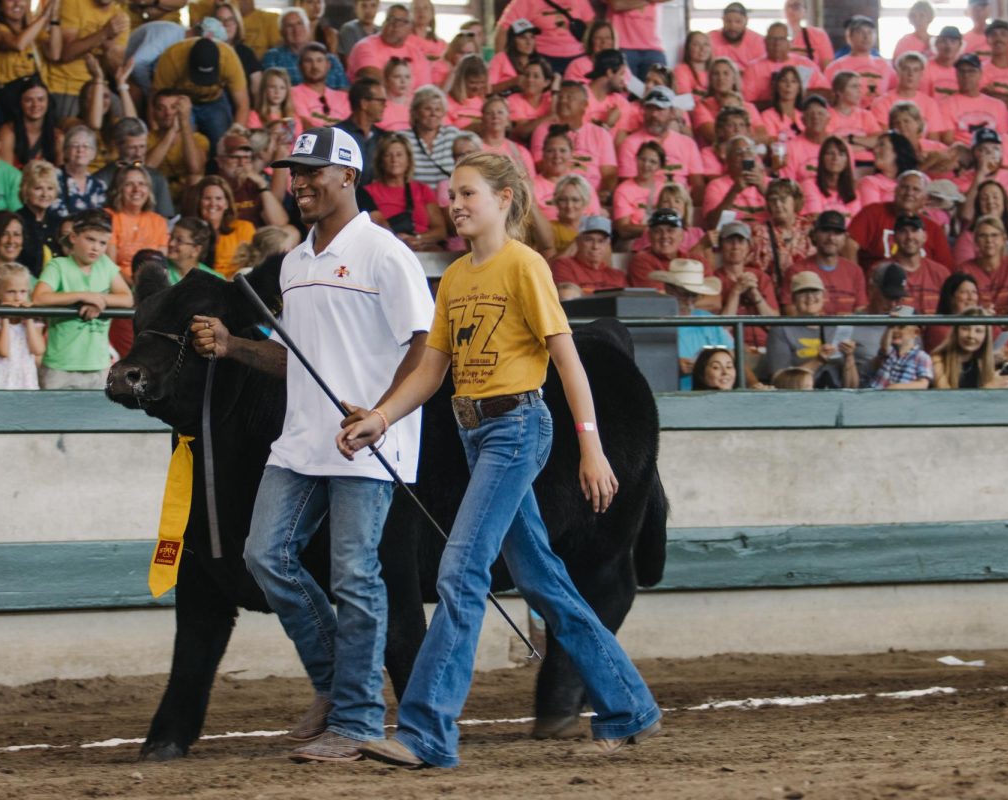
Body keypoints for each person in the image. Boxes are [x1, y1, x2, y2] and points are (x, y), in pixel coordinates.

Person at [336, 150, 660, 768]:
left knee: (460, 572)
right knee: (541, 578)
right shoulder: (456, 277)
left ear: (505, 199)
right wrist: (381, 416)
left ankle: (427, 732)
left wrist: (590, 445)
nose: (453, 204)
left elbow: (568, 360)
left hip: (517, 430)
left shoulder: (524, 266)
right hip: (474, 433)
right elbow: (432, 369)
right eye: (451, 195)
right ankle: (629, 706)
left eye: (467, 194)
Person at [190, 126, 434, 764]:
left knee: (355, 576)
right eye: (293, 172)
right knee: (266, 556)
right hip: (301, 442)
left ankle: (354, 722)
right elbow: (296, 360)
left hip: (369, 442)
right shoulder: (295, 262)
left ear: (349, 176)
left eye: (311, 171)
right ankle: (337, 687)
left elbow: (426, 345)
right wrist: (234, 346)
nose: (297, 182)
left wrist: (382, 414)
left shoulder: (386, 253)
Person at [31, 208, 133, 389]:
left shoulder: (106, 265)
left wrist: (100, 300)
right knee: (53, 417)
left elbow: (127, 299)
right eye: (90, 239)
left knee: (94, 418)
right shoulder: (58, 265)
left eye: (102, 243)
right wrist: (84, 296)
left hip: (98, 365)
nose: (96, 247)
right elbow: (39, 297)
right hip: (59, 365)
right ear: (73, 237)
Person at [153, 33, 251, 152]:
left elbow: (243, 104)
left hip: (215, 100)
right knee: (181, 145)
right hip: (180, 101)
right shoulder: (172, 58)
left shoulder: (229, 60)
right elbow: (155, 100)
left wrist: (236, 130)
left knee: (222, 140)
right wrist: (156, 135)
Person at [648, 258, 731, 390]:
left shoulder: (708, 320)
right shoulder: (653, 322)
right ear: (668, 289)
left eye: (694, 295)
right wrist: (672, 366)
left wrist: (753, 384)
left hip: (711, 396)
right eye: (684, 294)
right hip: (669, 395)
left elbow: (732, 356)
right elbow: (645, 364)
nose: (689, 300)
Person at [846, 171, 952, 272]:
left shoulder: (933, 229)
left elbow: (946, 267)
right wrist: (855, 279)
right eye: (904, 187)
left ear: (925, 199)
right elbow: (849, 245)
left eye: (916, 190)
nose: (909, 193)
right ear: (895, 191)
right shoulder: (873, 213)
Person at [44, 0, 129, 121]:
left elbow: (117, 70)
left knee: (128, 123)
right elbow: (64, 54)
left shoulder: (120, 16)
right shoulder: (73, 3)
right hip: (66, 86)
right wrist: (103, 33)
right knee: (78, 133)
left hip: (98, 86)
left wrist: (109, 48)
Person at [759, 271, 847, 386]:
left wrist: (849, 358)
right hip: (801, 397)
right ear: (793, 299)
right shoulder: (781, 329)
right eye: (803, 292)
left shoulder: (837, 326)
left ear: (824, 296)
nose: (810, 296)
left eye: (815, 291)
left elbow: (852, 383)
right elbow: (779, 380)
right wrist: (817, 361)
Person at [615, 87, 703, 198]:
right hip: (644, 204)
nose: (654, 114)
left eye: (660, 109)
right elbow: (627, 187)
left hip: (680, 203)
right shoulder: (630, 143)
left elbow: (698, 186)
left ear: (672, 112)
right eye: (650, 108)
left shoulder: (688, 144)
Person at [366, 134, 445, 250]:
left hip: (422, 248)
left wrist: (417, 239)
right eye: (388, 155)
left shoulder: (422, 189)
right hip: (385, 249)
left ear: (408, 160)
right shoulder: (367, 192)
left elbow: (440, 231)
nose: (394, 160)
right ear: (381, 161)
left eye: (399, 155)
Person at [782, 211, 865, 315]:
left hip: (848, 330)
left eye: (837, 232)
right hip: (809, 330)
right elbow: (790, 312)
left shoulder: (855, 271)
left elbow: (861, 310)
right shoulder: (796, 270)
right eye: (825, 231)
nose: (831, 238)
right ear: (814, 235)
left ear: (845, 238)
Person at [92, 117, 177, 218]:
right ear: (118, 146)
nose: (139, 153)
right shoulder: (100, 180)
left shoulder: (157, 179)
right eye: (132, 148)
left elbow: (166, 220)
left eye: (142, 147)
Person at [715, 221, 778, 349]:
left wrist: (755, 294)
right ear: (721, 246)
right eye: (729, 241)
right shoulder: (714, 279)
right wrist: (736, 291)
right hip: (730, 348)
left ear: (749, 247)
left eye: (741, 241)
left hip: (765, 346)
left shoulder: (761, 277)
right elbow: (721, 328)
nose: (735, 246)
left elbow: (774, 325)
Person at [495, 0, 595, 76]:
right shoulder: (525, 2)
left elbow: (593, 27)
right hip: (543, 60)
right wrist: (504, 66)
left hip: (579, 57)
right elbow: (503, 31)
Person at [957, 216, 1008, 315]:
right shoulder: (964, 269)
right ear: (975, 240)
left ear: (1004, 239)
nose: (989, 240)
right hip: (978, 325)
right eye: (983, 236)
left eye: (994, 235)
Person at [932, 308, 1008, 389]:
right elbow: (946, 400)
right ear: (956, 331)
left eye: (978, 331)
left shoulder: (982, 362)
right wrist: (990, 388)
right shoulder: (937, 359)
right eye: (965, 328)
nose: (971, 335)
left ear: (985, 336)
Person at [146, 90, 208, 204]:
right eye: (161, 108)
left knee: (195, 178)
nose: (168, 113)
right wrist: (172, 131)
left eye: (174, 107)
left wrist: (184, 121)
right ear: (154, 112)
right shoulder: (146, 138)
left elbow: (195, 168)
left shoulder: (199, 139)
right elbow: (146, 169)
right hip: (155, 193)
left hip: (186, 194)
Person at [743, 22, 825, 108]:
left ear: (789, 42)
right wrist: (779, 102)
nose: (777, 44)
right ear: (765, 42)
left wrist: (799, 93)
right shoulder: (753, 68)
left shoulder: (806, 64)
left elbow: (827, 93)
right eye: (772, 39)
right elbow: (748, 104)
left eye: (781, 39)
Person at [347, 4, 430, 89]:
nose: (396, 25)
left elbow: (425, 91)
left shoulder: (417, 54)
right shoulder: (365, 46)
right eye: (391, 19)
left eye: (402, 21)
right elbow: (375, 85)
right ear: (383, 24)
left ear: (410, 28)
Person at [187, 175, 256, 277]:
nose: (213, 203)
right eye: (207, 198)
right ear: (198, 202)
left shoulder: (244, 228)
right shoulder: (187, 230)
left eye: (218, 198)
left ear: (227, 204)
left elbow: (252, 264)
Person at [748, 179, 814, 284]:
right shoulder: (760, 232)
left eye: (783, 199)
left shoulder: (809, 229)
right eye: (773, 200)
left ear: (795, 201)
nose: (778, 204)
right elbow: (756, 272)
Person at [106, 165, 168, 277]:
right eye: (129, 184)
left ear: (149, 190)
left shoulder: (159, 221)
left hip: (151, 283)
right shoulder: (109, 216)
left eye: (142, 184)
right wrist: (135, 286)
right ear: (119, 189)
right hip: (118, 283)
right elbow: (110, 265)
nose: (137, 189)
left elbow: (161, 265)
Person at [884, 214, 952, 315]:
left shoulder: (941, 273)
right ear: (894, 237)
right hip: (897, 329)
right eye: (903, 231)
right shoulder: (882, 271)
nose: (909, 236)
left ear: (925, 236)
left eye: (915, 230)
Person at [261, 9, 348, 88]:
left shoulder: (330, 59)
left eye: (300, 23)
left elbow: (344, 91)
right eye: (289, 26)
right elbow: (270, 91)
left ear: (308, 28)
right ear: (281, 32)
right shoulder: (273, 57)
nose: (296, 30)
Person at [869, 53, 946, 142]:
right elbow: (884, 136)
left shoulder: (930, 103)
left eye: (915, 70)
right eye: (906, 69)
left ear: (921, 75)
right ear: (897, 72)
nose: (910, 74)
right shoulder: (882, 102)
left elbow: (933, 139)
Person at [939, 54, 1008, 146]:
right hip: (962, 154)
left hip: (992, 152)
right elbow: (948, 141)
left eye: (971, 71)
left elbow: (1004, 138)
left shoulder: (998, 105)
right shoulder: (946, 104)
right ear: (956, 74)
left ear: (980, 74)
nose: (966, 75)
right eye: (961, 71)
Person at [0, 0, 55, 94]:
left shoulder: (34, 29)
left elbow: (55, 54)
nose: (17, 3)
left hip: (34, 93)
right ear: (0, 6)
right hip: (7, 95)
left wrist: (55, 19)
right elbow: (18, 44)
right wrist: (45, 16)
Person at [702, 135, 768, 228]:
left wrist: (763, 189)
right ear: (728, 161)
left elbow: (788, 215)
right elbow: (713, 224)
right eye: (738, 151)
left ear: (755, 158)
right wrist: (733, 192)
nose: (744, 155)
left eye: (748, 151)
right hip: (734, 237)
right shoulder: (716, 186)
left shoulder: (768, 183)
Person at [549, 215, 625, 294]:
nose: (595, 246)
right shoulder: (564, 265)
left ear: (607, 245)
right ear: (578, 242)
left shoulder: (617, 275)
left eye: (601, 241)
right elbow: (568, 298)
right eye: (589, 240)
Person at [403, 85, 460, 188]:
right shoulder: (403, 138)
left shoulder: (453, 134)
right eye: (427, 109)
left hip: (448, 199)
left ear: (443, 113)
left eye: (438, 109)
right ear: (415, 112)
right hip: (415, 199)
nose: (433, 114)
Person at [333, 77, 386, 187]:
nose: (385, 105)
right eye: (381, 101)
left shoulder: (384, 138)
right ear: (364, 103)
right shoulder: (336, 136)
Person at [612, 140, 667, 246]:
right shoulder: (623, 190)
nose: (646, 165)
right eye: (642, 159)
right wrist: (655, 229)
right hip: (633, 244)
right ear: (636, 159)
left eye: (653, 162)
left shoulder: (665, 188)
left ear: (660, 166)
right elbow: (623, 229)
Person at [16, 160, 63, 276]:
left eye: (50, 188)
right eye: (38, 188)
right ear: (26, 190)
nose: (45, 194)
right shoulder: (16, 221)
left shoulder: (59, 222)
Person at [865, 311, 933, 390]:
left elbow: (923, 384)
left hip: (900, 398)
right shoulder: (891, 351)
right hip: (874, 394)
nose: (895, 330)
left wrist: (896, 387)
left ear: (916, 332)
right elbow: (884, 347)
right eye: (893, 326)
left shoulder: (921, 356)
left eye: (901, 326)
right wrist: (889, 327)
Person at [291, 43, 352, 129]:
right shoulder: (293, 93)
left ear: (328, 65)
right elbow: (306, 126)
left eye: (319, 60)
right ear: (300, 66)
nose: (315, 66)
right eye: (308, 61)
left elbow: (350, 128)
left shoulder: (343, 97)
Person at [800, 136, 861, 221]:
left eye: (841, 154)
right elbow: (815, 219)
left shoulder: (853, 190)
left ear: (847, 161)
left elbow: (857, 222)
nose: (835, 158)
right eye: (830, 153)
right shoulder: (809, 185)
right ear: (822, 158)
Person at [55, 125, 109, 216]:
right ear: (66, 151)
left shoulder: (99, 186)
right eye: (75, 145)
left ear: (93, 154)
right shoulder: (53, 178)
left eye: (86, 146)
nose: (80, 150)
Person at [924, 271, 981, 352]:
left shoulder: (982, 324)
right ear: (950, 297)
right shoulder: (937, 328)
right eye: (964, 292)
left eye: (974, 292)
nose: (971, 297)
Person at [477, 96, 534, 178]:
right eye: (489, 113)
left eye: (500, 112)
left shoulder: (520, 152)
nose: (495, 116)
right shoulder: (474, 149)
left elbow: (530, 183)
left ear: (508, 120)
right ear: (482, 120)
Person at [858, 132, 919, 206]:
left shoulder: (918, 181)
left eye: (882, 145)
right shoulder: (870, 182)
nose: (875, 150)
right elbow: (872, 215)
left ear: (897, 150)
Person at [250, 67, 303, 142]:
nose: (277, 92)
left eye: (282, 88)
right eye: (272, 87)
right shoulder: (254, 115)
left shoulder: (293, 116)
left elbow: (299, 141)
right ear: (264, 89)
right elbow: (256, 144)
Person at [489, 18, 539, 94]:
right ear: (512, 40)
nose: (529, 42)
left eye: (532, 37)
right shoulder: (501, 58)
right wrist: (511, 82)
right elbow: (488, 90)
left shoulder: (539, 61)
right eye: (523, 37)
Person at [164, 216, 220, 283]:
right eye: (171, 237)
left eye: (179, 241)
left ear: (196, 250)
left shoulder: (214, 281)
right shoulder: (160, 272)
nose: (171, 243)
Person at [710, 2, 764, 68]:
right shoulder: (710, 38)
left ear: (746, 20)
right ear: (723, 20)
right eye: (728, 21)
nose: (733, 26)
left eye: (738, 21)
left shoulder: (758, 41)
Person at [783, 0, 832, 71]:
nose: (791, 10)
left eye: (796, 6)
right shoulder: (777, 36)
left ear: (804, 11)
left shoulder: (818, 35)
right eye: (789, 6)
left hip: (813, 80)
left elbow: (828, 69)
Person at [925, 26, 962, 99]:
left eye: (953, 42)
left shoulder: (965, 70)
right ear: (936, 44)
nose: (948, 46)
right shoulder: (924, 68)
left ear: (960, 45)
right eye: (943, 41)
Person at [674, 31, 711, 99]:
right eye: (696, 44)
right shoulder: (681, 70)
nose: (702, 48)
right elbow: (684, 97)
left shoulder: (715, 70)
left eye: (706, 44)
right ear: (688, 48)